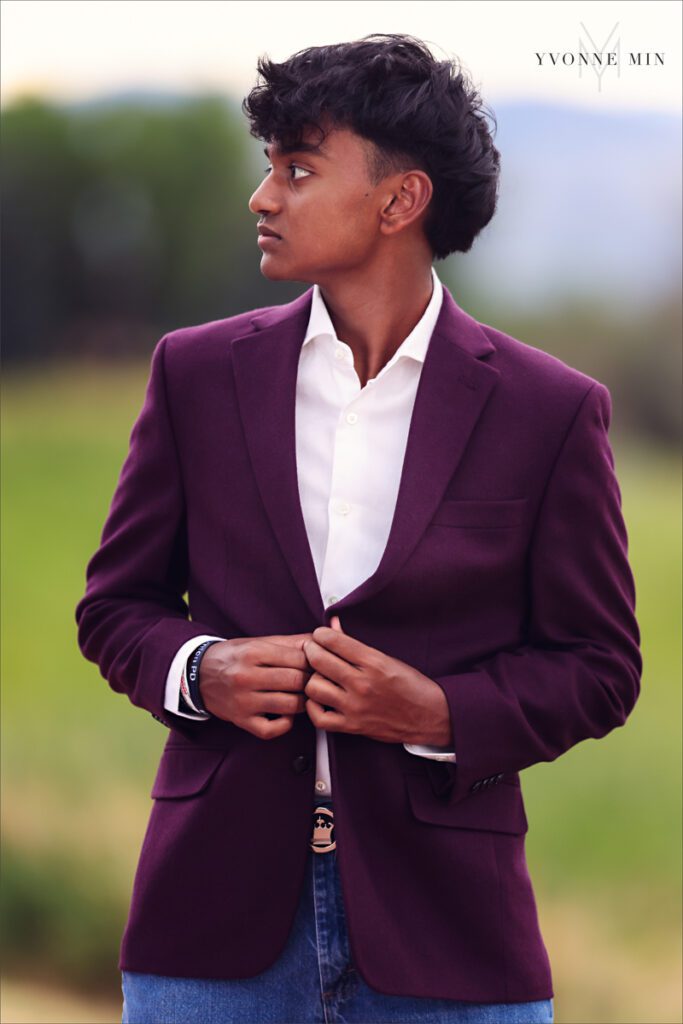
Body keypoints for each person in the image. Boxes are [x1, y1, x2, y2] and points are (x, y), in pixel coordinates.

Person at [75, 33, 642, 1024]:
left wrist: (435, 711)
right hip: (209, 934)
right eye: (266, 169)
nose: (262, 197)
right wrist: (199, 668)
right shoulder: (195, 376)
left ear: (398, 201)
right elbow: (115, 606)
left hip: (449, 941)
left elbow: (596, 663)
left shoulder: (547, 412)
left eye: (296, 170)